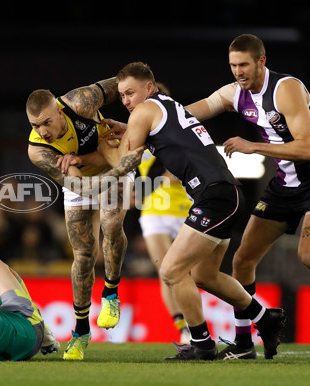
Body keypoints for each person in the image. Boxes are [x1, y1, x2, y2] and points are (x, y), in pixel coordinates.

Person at [75, 61, 286, 361]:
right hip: (226, 194)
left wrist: (96, 151)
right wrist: (96, 151)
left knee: (171, 270)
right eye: (122, 96)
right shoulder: (168, 106)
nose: (126, 101)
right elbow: (152, 139)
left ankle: (202, 344)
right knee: (205, 275)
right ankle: (266, 318)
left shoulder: (145, 110)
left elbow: (123, 164)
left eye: (130, 93)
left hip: (214, 197)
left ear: (149, 87)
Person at [184, 33, 310, 358]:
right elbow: (191, 113)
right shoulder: (234, 93)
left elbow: (309, 147)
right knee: (243, 260)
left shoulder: (286, 89)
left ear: (261, 61)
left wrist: (252, 145)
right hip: (284, 186)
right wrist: (148, 121)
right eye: (233, 65)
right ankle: (244, 343)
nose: (238, 72)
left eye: (244, 64)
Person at [26, 78, 133, 360]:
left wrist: (138, 122)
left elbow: (123, 83)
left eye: (46, 122)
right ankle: (81, 332)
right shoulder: (38, 150)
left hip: (112, 160)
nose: (42, 131)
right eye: (35, 126)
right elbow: (81, 187)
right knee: (84, 255)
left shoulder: (80, 101)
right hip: (88, 179)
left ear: (59, 111)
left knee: (111, 224)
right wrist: (89, 163)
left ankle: (110, 293)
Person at [133, 82, 193, 344]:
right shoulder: (137, 134)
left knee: (188, 273)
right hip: (154, 211)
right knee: (165, 272)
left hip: (185, 210)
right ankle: (183, 328)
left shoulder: (182, 132)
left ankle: (195, 325)